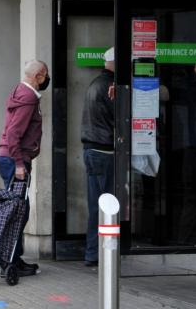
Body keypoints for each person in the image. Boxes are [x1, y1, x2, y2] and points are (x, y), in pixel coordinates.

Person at [0, 59, 49, 276]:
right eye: (45, 75)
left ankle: (12, 258)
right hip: (14, 160)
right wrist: (19, 163)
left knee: (18, 211)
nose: (46, 80)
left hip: (8, 157)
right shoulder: (28, 98)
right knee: (19, 212)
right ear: (39, 75)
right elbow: (14, 134)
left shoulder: (20, 91)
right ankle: (11, 261)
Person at [81, 48, 116, 267]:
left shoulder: (95, 83)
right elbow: (121, 117)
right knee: (108, 205)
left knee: (96, 205)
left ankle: (92, 252)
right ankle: (103, 252)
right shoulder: (111, 87)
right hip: (105, 150)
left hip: (92, 149)